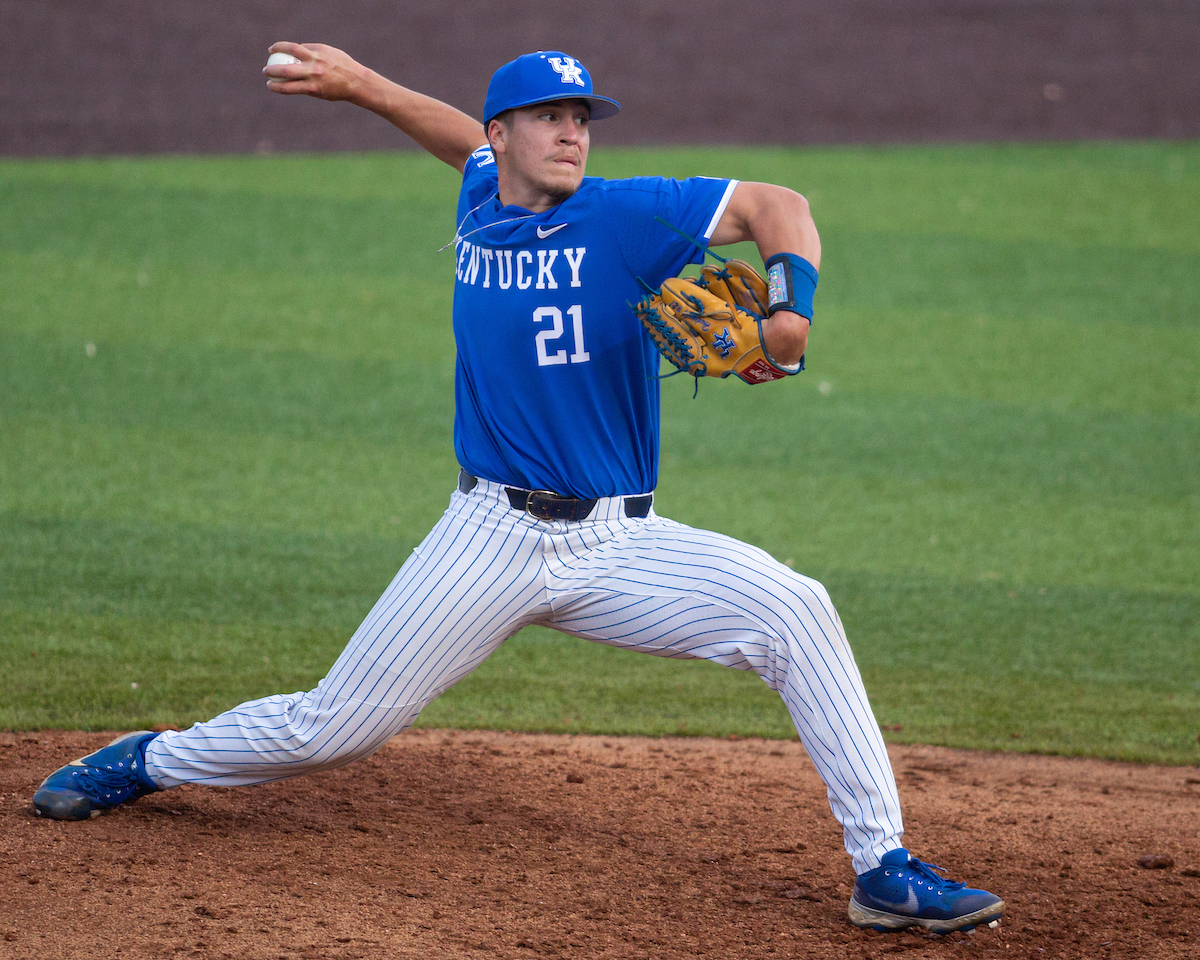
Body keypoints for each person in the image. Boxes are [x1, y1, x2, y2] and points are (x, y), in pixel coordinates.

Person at [32, 44, 1003, 934]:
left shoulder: (627, 216)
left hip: (622, 545)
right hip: (486, 540)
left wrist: (789, 317)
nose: (573, 130)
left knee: (798, 610)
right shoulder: (482, 197)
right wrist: (365, 87)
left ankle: (883, 867)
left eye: (582, 115)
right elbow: (456, 139)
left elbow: (777, 205)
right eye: (548, 115)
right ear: (505, 138)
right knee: (327, 729)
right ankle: (147, 758)